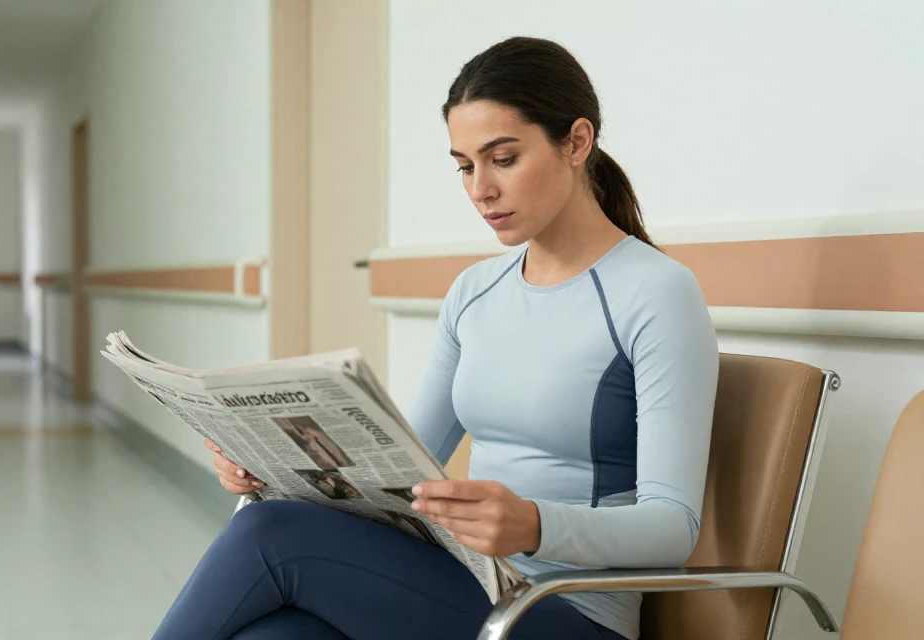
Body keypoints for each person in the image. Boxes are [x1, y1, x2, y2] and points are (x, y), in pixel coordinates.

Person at [152, 36, 719, 640]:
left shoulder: (656, 293)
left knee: (271, 535)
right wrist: (270, 468)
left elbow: (672, 525)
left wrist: (533, 524)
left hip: (568, 611)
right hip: (465, 586)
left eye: (503, 159)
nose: (481, 189)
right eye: (465, 165)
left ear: (576, 142)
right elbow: (401, 470)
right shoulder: (474, 291)